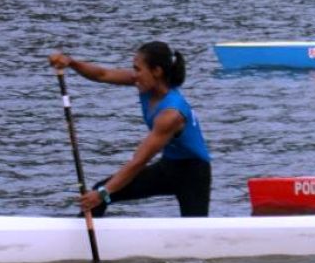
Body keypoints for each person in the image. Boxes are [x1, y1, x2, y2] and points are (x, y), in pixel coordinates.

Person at [48, 41, 212, 217]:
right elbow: (102, 74)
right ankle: (84, 242)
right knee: (99, 193)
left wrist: (104, 194)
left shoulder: (171, 114)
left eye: (138, 69)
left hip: (194, 175)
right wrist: (71, 62)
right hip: (169, 166)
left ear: (157, 71)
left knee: (193, 229)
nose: (135, 75)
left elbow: (138, 161)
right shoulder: (145, 84)